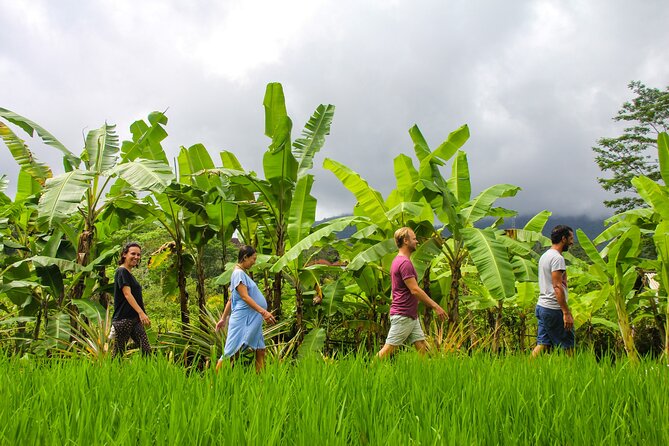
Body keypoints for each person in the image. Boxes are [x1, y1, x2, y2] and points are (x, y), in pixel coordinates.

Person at [377, 227, 447, 359]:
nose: (417, 242)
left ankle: (427, 375)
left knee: (421, 346)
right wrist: (435, 306)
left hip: (410, 315)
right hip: (403, 315)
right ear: (405, 241)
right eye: (414, 239)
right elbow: (414, 289)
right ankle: (368, 370)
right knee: (388, 349)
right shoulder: (404, 263)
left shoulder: (398, 260)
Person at [215, 246, 276, 372]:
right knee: (231, 352)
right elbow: (244, 297)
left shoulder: (241, 273)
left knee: (260, 350)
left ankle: (261, 383)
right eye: (253, 258)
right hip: (244, 319)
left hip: (253, 318)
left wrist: (223, 318)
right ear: (245, 257)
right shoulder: (238, 273)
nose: (254, 261)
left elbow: (232, 299)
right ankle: (213, 384)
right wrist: (264, 312)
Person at [532, 225, 575, 357]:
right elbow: (557, 286)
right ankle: (573, 374)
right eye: (571, 238)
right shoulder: (557, 258)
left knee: (543, 344)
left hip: (542, 306)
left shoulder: (545, 256)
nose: (572, 242)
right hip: (553, 308)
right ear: (563, 239)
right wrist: (566, 312)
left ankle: (525, 368)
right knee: (568, 346)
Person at [112, 242, 151, 357]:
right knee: (118, 354)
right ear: (124, 254)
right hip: (124, 319)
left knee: (146, 350)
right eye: (133, 254)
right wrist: (141, 313)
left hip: (134, 319)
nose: (136, 257)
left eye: (138, 255)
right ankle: (110, 373)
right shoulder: (122, 271)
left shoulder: (129, 273)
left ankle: (148, 373)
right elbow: (127, 294)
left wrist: (140, 315)